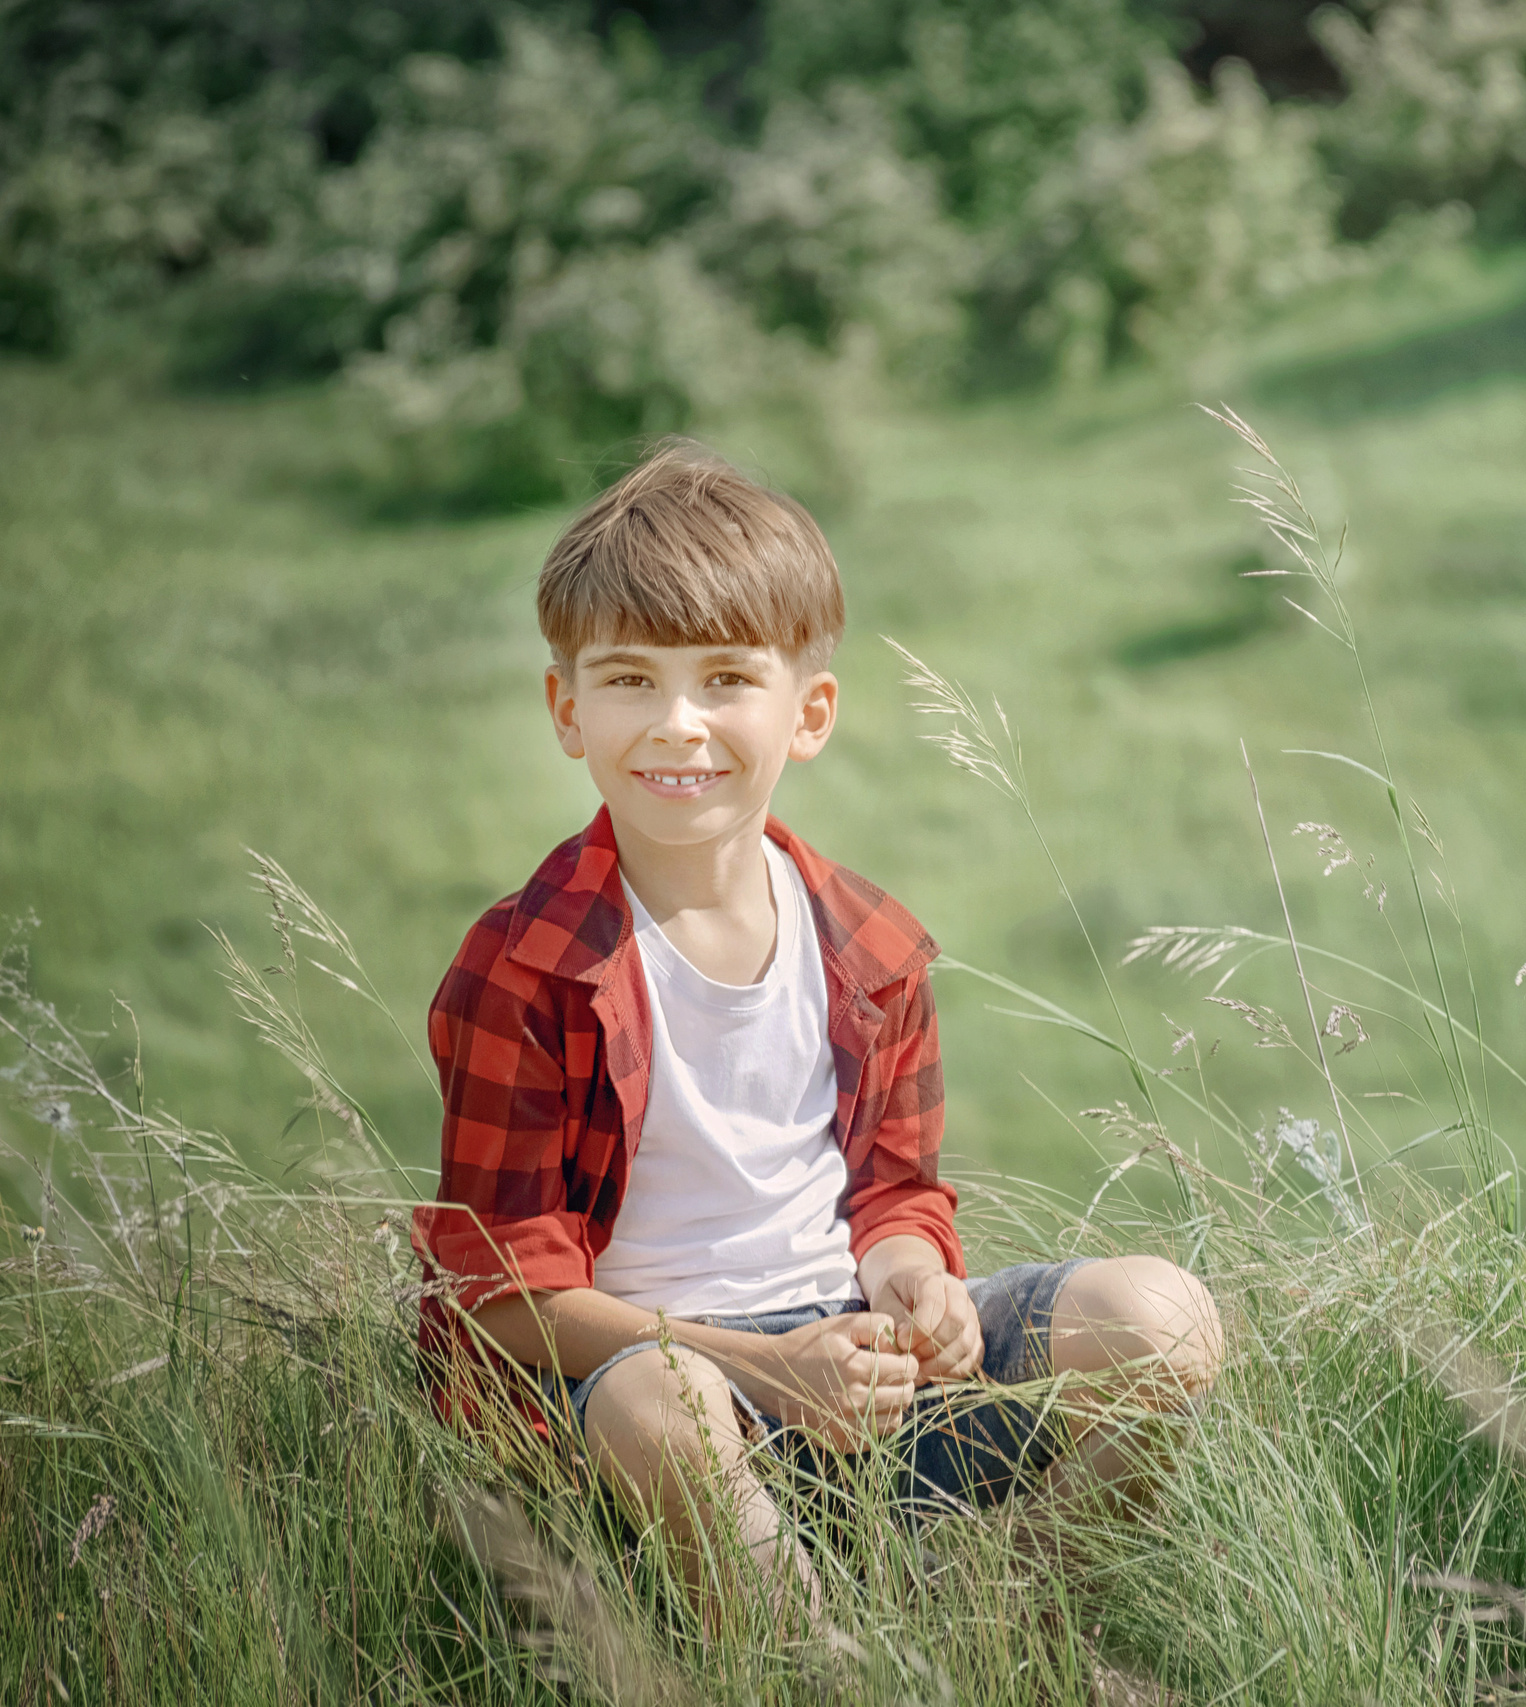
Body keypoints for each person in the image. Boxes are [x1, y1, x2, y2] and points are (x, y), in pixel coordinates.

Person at [411, 439, 1222, 1618]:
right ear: (566, 708)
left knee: (1164, 1318)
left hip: (858, 1373)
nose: (679, 725)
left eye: (727, 680)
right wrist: (759, 1369)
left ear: (810, 712)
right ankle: (810, 1658)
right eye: (629, 679)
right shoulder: (525, 968)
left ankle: (1008, 1619)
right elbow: (499, 1289)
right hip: (657, 1408)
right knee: (660, 1404)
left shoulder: (869, 944)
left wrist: (916, 1286)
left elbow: (897, 1194)